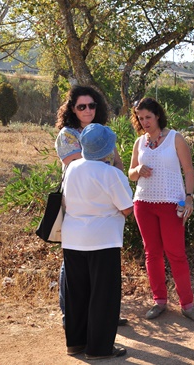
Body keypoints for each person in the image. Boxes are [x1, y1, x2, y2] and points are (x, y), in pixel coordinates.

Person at [127, 97, 194, 324]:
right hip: (143, 203)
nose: (144, 122)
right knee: (152, 253)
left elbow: (189, 171)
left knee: (176, 254)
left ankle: (187, 305)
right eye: (140, 118)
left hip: (172, 203)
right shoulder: (139, 142)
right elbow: (131, 174)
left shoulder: (175, 138)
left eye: (148, 117)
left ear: (158, 115)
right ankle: (159, 301)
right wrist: (138, 170)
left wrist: (189, 199)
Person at [54, 85, 127, 327]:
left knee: (100, 268)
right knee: (73, 262)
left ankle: (103, 315)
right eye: (81, 106)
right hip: (78, 201)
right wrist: (109, 177)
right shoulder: (68, 135)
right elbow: (78, 167)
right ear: (72, 109)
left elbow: (118, 163)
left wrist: (113, 180)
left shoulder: (104, 132)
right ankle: (71, 316)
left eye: (92, 105)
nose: (87, 110)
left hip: (105, 204)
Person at [62, 124, 133, 359]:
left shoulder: (72, 168)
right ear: (108, 148)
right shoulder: (111, 173)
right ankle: (99, 348)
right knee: (103, 295)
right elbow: (126, 209)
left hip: (73, 239)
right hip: (103, 240)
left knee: (77, 294)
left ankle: (76, 343)